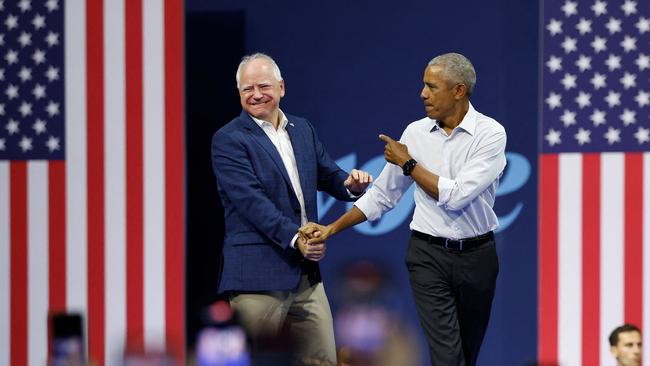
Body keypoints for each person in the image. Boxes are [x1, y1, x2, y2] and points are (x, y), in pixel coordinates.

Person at [300, 52, 507, 366]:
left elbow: (457, 195)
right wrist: (332, 228)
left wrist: (408, 163)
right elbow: (381, 196)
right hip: (428, 256)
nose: (422, 94)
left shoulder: (490, 134)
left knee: (466, 354)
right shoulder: (415, 133)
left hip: (478, 257)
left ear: (459, 91)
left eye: (431, 86)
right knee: (447, 356)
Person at [210, 53, 372, 365]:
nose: (256, 94)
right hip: (256, 279)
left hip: (306, 278)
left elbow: (328, 175)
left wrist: (351, 185)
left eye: (263, 86)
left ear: (281, 87)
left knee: (323, 360)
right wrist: (298, 240)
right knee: (259, 360)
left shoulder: (303, 129)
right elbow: (251, 202)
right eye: (247, 89)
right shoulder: (229, 139)